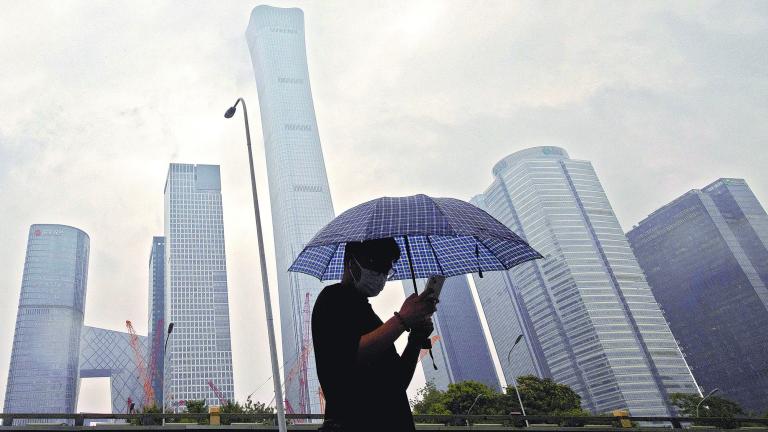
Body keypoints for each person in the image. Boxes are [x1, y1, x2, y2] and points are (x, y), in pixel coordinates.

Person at [312, 238, 438, 432]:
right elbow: (349, 355)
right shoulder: (332, 300)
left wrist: (416, 338)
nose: (381, 275)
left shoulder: (371, 316)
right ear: (352, 262)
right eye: (376, 264)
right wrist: (403, 319)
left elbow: (397, 383)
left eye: (387, 269)